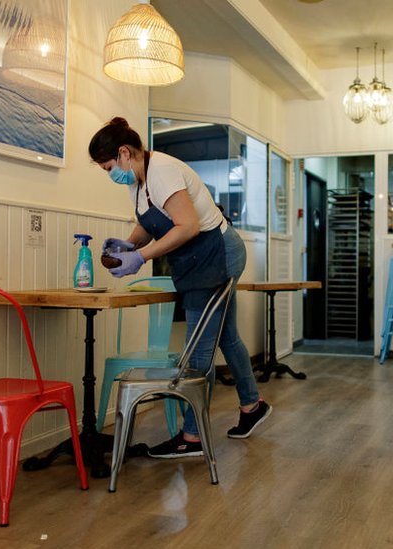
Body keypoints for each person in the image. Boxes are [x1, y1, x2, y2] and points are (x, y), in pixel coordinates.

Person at [89, 117, 271, 458]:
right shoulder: (138, 182)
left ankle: (193, 436)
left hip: (218, 254)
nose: (110, 173)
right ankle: (252, 405)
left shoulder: (163, 172)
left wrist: (140, 257)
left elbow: (186, 226)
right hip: (199, 260)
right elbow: (148, 223)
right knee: (227, 337)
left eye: (108, 166)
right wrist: (127, 246)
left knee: (198, 350)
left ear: (125, 153)